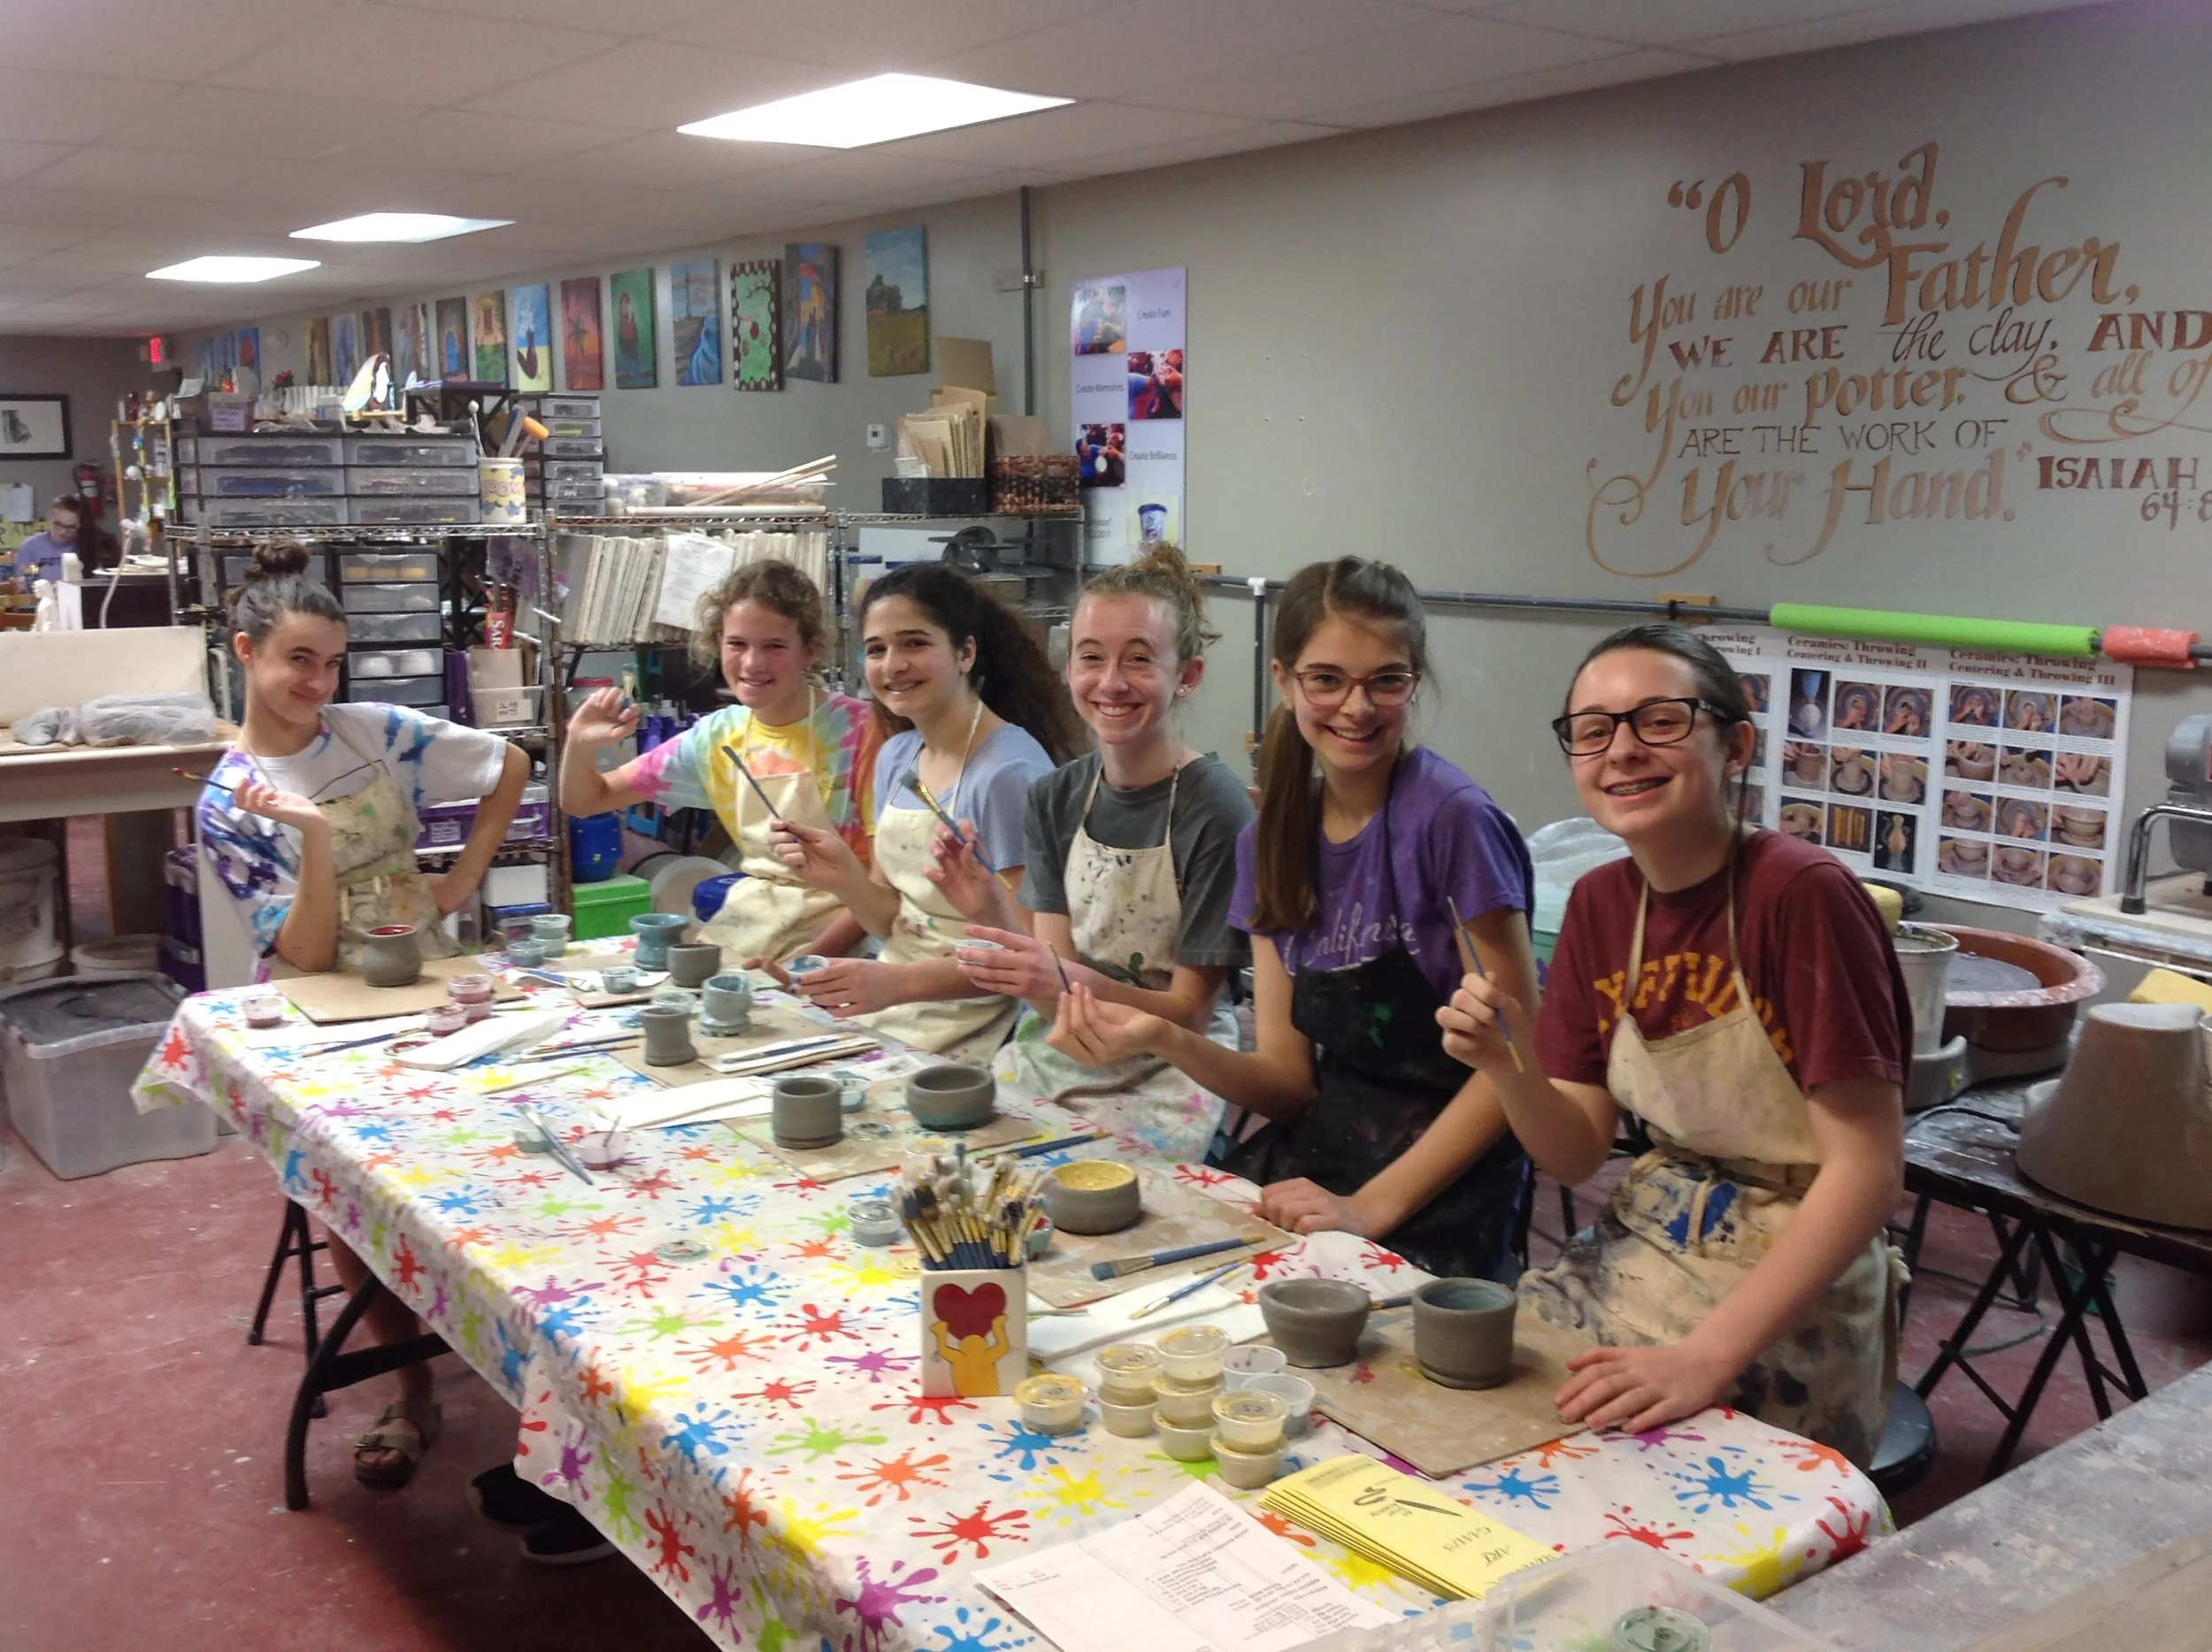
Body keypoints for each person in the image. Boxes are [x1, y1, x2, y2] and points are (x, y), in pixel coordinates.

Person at [191, 545, 603, 1556]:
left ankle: (527, 1347)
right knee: (353, 1179)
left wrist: (462, 878)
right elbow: (299, 945)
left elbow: (510, 763)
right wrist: (318, 840)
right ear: (244, 652)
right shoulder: (232, 796)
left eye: (331, 661)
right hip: (318, 998)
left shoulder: (370, 731)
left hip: (428, 970)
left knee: (515, 1139)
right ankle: (411, 1383)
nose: (315, 683)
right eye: (295, 659)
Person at [1439, 622, 1909, 1464]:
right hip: (1649, 1239)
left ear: (1736, 746)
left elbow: (1866, 1171)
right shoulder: (1599, 904)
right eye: (1593, 730)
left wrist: (1706, 1356)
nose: (1620, 749)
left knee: (1662, 1480)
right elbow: (1576, 1151)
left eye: (1659, 720)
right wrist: (1504, 1062)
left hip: (1793, 1276)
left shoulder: (1801, 894)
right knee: (1482, 1420)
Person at [1048, 557, 1537, 1279]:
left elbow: (1520, 1056)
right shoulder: (1273, 838)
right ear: (1284, 679)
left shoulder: (1452, 822)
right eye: (1327, 679)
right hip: (1329, 1148)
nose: (1357, 707)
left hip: (1449, 1175)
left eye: (1386, 680)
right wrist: (1163, 1036)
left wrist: (1368, 1208)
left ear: (1414, 681)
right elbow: (1286, 1081)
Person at [929, 543, 1256, 1163]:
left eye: (1139, 659)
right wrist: (994, 919)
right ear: (1068, 666)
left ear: (1187, 675)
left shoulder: (1215, 808)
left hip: (1169, 1071)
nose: (1111, 682)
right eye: (1091, 657)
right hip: (1059, 1051)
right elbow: (1054, 988)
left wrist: (1060, 977)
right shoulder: (1054, 796)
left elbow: (1188, 1014)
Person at [769, 563, 1081, 1061]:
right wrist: (843, 878)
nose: (892, 665)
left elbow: (1032, 959)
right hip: (894, 999)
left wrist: (898, 983)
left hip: (977, 1021)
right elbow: (894, 918)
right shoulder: (899, 755)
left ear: (966, 653)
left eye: (915, 643)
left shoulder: (1007, 773)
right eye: (876, 649)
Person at [558, 559, 879, 966]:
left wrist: (803, 967)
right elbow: (585, 801)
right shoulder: (717, 737)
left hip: (847, 934)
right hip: (755, 920)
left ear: (810, 652)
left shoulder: (862, 732)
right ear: (717, 643)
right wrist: (579, 743)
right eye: (737, 644)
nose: (752, 664)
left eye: (775, 646)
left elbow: (885, 884)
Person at [12, 496, 79, 588]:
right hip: (39, 599)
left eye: (70, 527)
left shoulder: (83, 547)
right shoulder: (30, 546)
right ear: (50, 519)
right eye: (58, 524)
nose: (63, 532)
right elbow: (21, 585)